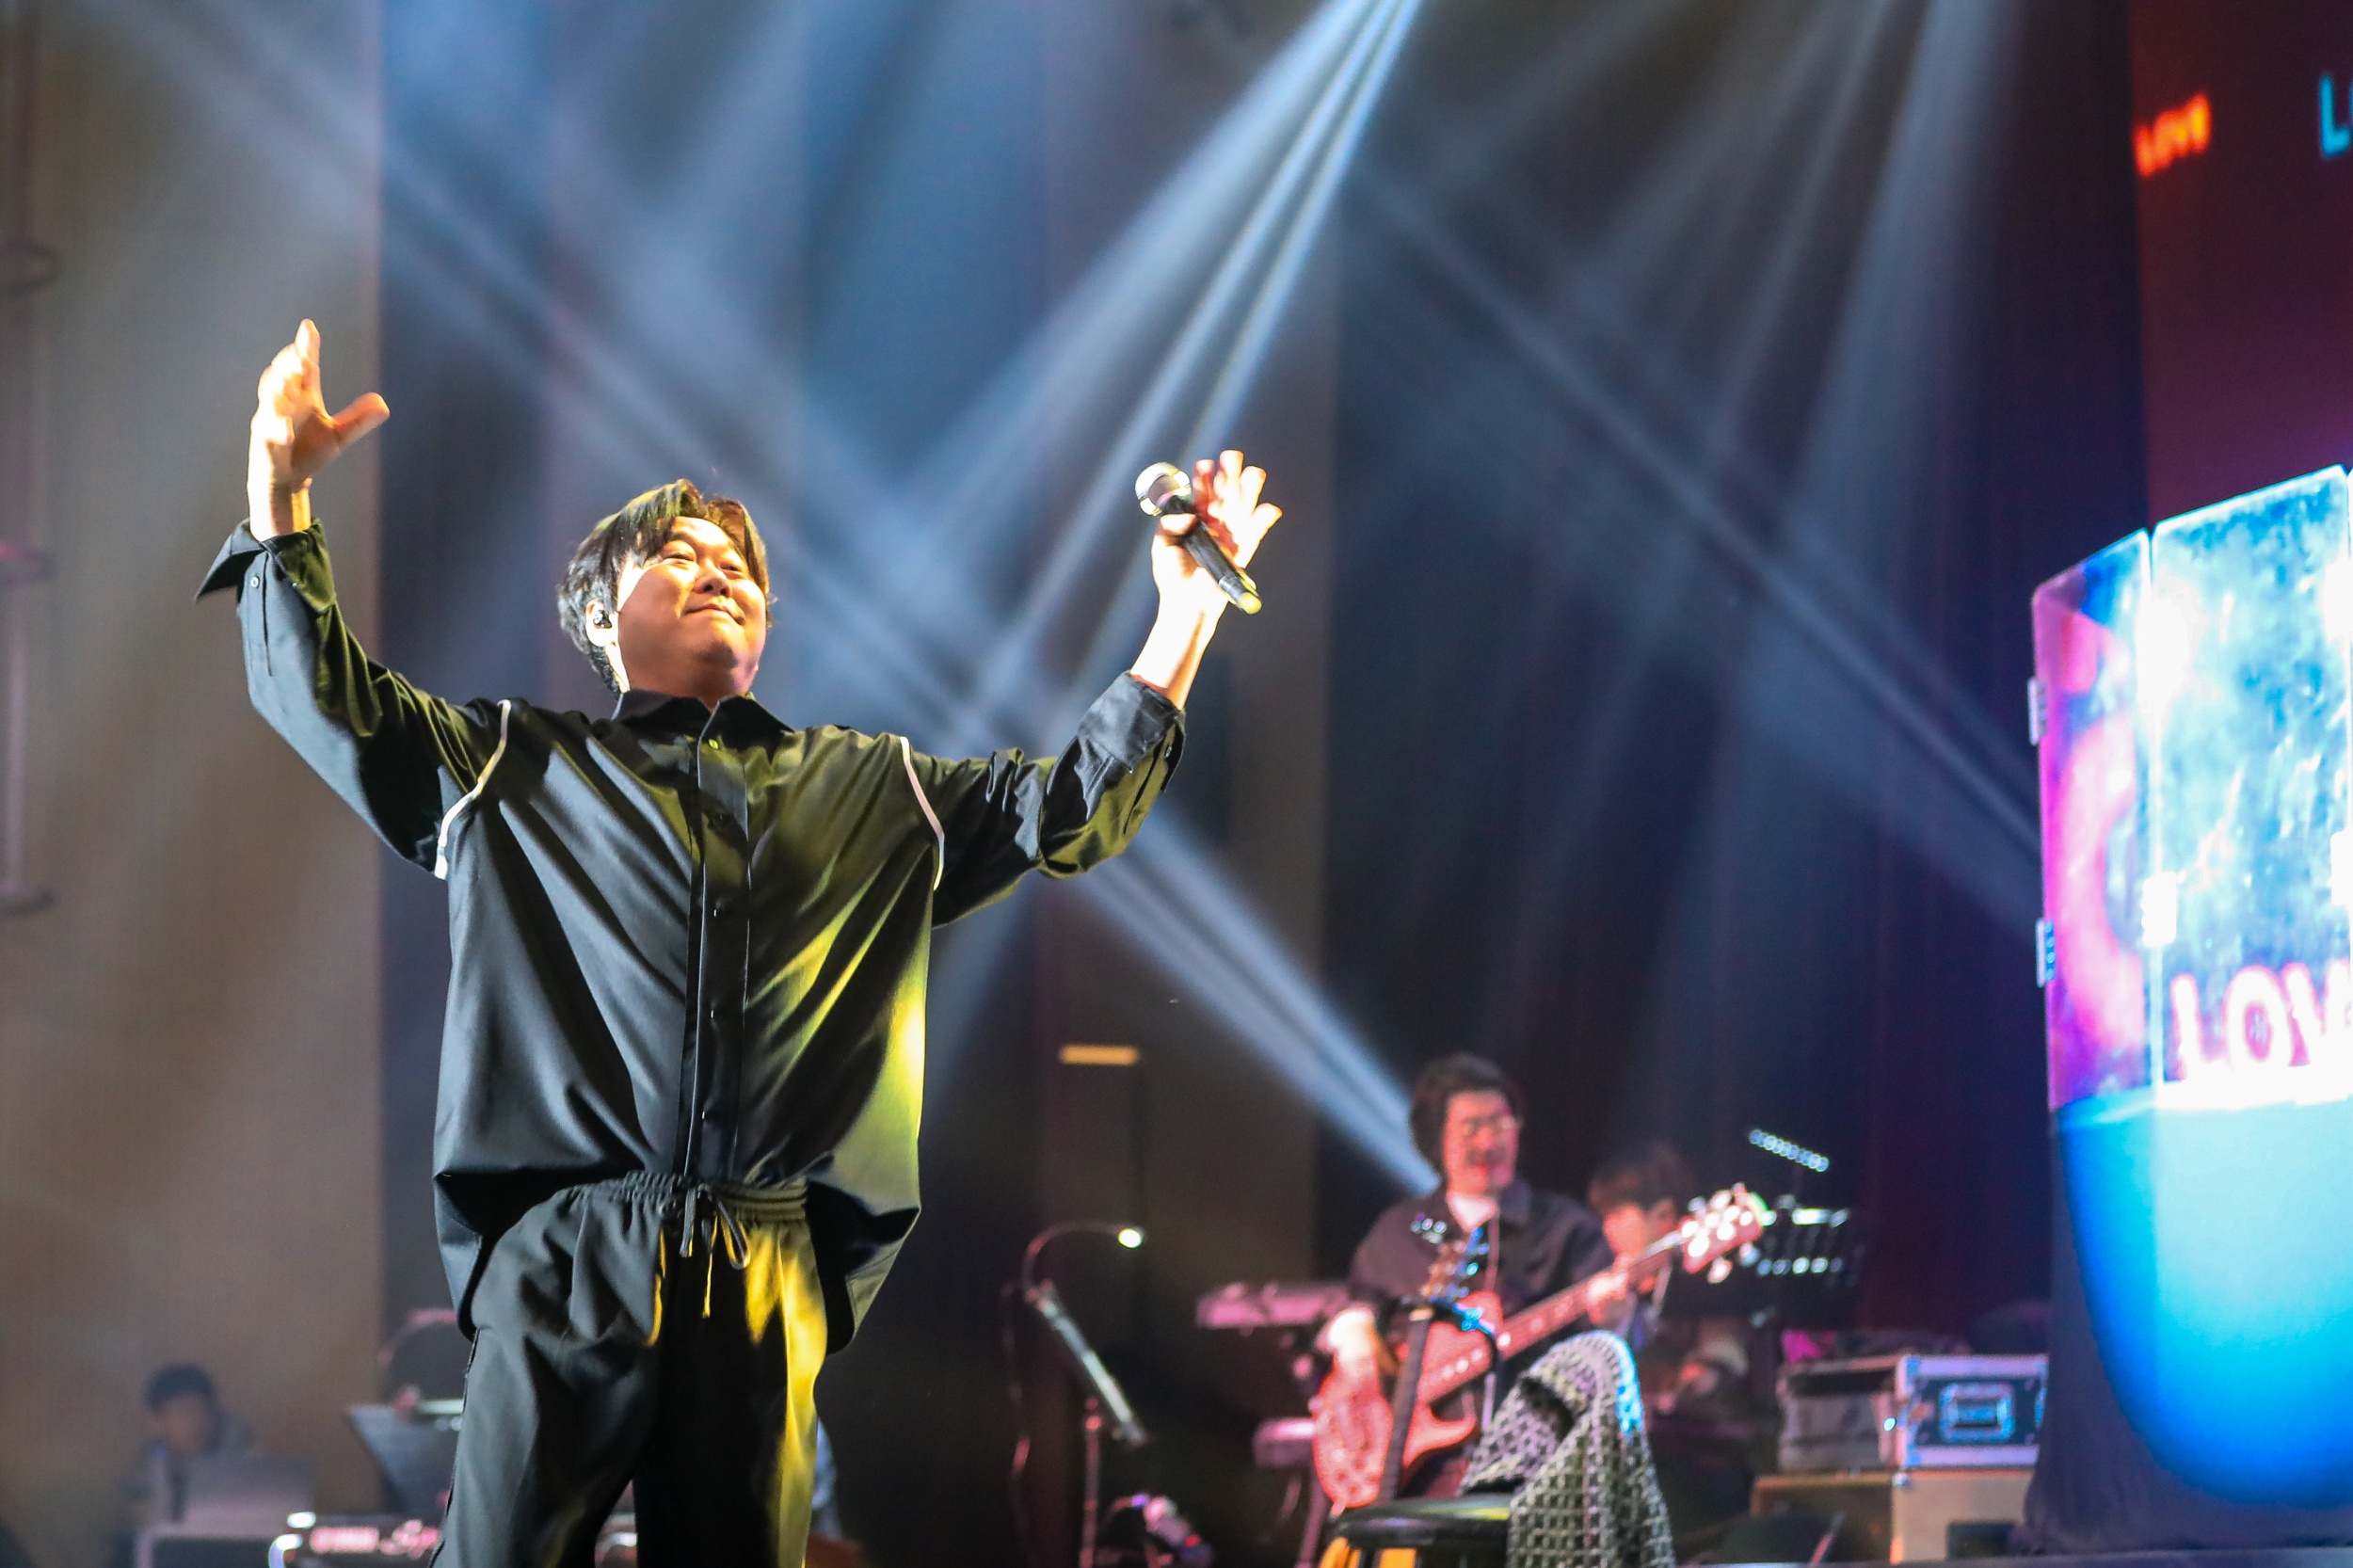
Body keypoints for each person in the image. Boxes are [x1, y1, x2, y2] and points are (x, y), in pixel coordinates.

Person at [201, 322, 1281, 1567]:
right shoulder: (511, 766)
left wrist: (1184, 614)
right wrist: (278, 496)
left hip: (767, 1259)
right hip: (570, 1247)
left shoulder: (876, 787)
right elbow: (324, 698)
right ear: (601, 612)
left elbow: (1075, 807)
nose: (721, 571)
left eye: (741, 567)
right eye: (680, 552)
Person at [1320, 1053, 1622, 1496]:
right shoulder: (1399, 1231)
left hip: (1534, 1471)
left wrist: (1615, 1319)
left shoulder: (1566, 1229)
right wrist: (1357, 1339)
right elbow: (1356, 1303)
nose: (1487, 1141)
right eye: (1470, 1127)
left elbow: (1617, 1344)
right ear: (1435, 1140)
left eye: (1499, 1123)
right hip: (1409, 1479)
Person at [1584, 1141, 1765, 1539]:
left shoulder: (1713, 1279)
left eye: (1618, 1215)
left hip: (1701, 1468)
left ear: (1664, 1215)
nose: (1607, 1229)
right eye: (1605, 1217)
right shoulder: (1624, 1289)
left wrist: (1673, 1387)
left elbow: (1719, 1370)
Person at [122, 1365, 256, 1531]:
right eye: (183, 1412)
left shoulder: (243, 1460)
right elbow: (140, 1516)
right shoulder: (147, 1468)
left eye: (201, 1410)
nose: (195, 1423)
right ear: (157, 1421)